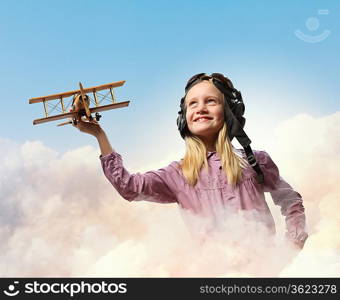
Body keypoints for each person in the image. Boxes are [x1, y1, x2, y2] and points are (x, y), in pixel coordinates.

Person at [73, 73, 308, 249]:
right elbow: (129, 187)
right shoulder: (177, 174)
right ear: (183, 119)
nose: (200, 108)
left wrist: (291, 246)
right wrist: (99, 135)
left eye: (211, 101)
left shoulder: (256, 162)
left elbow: (289, 199)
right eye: (192, 103)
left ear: (229, 112)